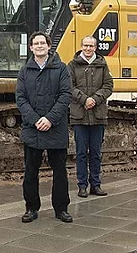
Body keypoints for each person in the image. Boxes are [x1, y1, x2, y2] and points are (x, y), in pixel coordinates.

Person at [16, 31, 73, 223]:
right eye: (36, 43)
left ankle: (61, 208)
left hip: (56, 128)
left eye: (43, 43)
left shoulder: (62, 69)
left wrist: (49, 119)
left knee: (60, 173)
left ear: (49, 46)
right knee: (30, 172)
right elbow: (21, 98)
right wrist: (34, 119)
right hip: (33, 130)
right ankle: (31, 208)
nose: (39, 46)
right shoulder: (24, 71)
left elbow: (65, 95)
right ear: (31, 47)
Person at [66, 35, 114, 198]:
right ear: (81, 46)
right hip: (79, 116)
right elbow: (69, 86)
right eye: (85, 45)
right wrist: (84, 99)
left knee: (96, 152)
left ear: (95, 47)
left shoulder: (102, 65)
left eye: (91, 46)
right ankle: (82, 186)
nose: (88, 49)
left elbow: (108, 86)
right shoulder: (72, 65)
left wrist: (95, 99)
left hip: (98, 115)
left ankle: (96, 184)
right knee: (80, 153)